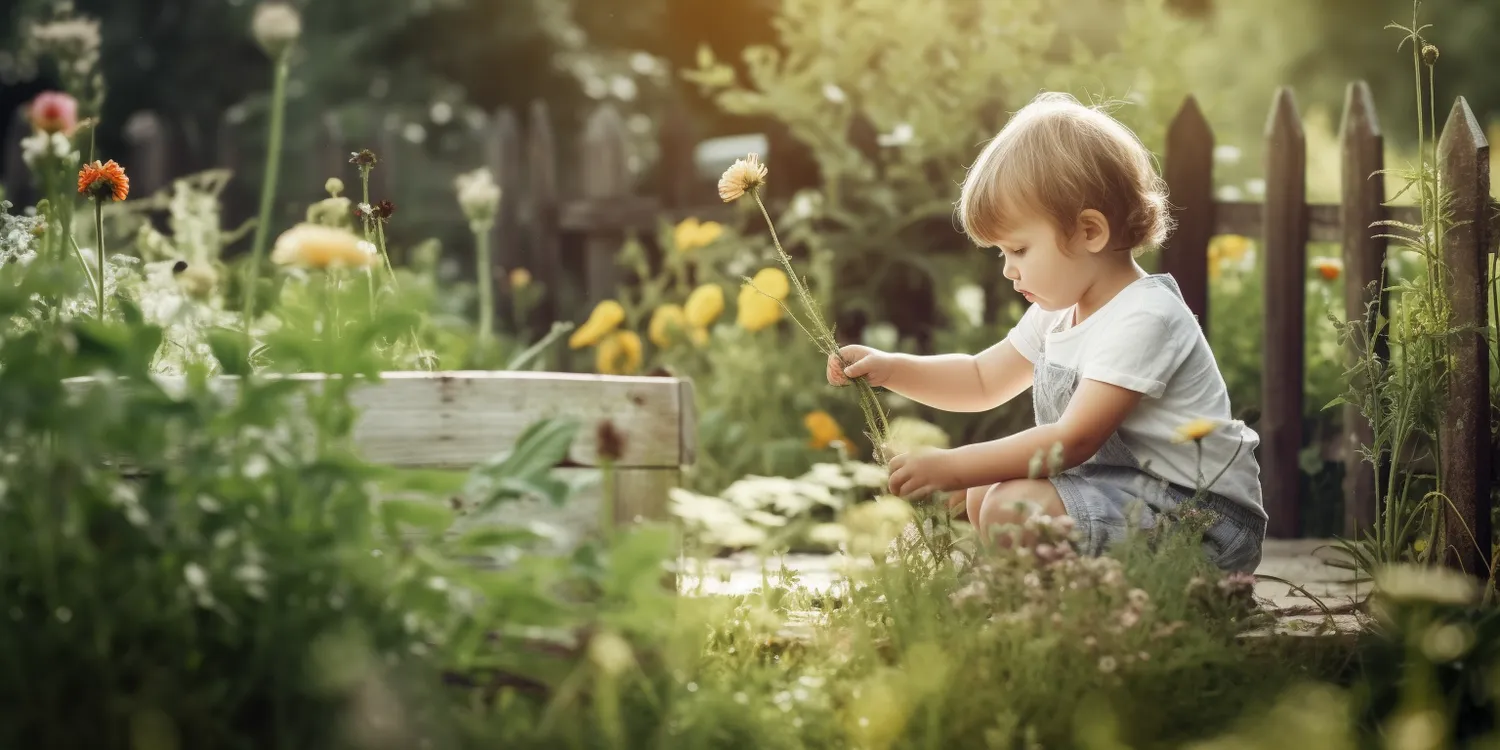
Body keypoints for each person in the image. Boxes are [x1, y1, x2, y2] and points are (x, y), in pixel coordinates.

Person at [825, 91, 1266, 573]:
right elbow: (980, 379)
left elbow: (1073, 441)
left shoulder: (1144, 317)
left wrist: (951, 464)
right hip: (1123, 496)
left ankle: (1131, 604)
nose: (1008, 271)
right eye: (1002, 254)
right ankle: (1060, 605)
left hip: (1199, 522)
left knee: (1007, 504)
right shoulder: (1059, 311)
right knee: (985, 492)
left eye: (1018, 249)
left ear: (1089, 232)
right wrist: (892, 369)